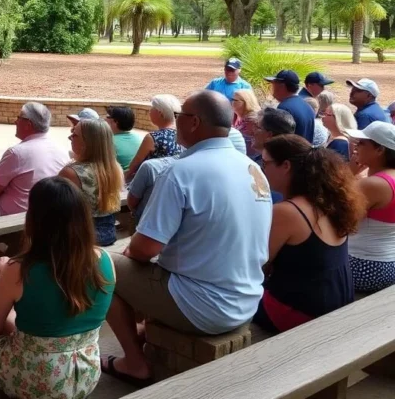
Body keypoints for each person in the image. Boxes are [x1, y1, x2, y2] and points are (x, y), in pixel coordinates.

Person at [101, 91, 272, 386]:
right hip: (246, 301)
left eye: (180, 117)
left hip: (202, 306)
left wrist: (132, 253)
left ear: (193, 123)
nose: (176, 122)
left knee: (98, 266)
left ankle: (134, 362)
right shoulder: (252, 168)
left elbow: (145, 248)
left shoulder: (181, 171)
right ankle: (145, 332)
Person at [0, 177, 115, 399]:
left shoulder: (18, 269)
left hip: (35, 383)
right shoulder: (105, 260)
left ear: (34, 220)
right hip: (85, 376)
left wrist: (1, 274)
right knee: (25, 327)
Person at [255, 135, 360, 333]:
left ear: (285, 166)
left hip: (301, 314)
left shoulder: (288, 211)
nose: (262, 169)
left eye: (265, 163)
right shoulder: (331, 201)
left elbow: (259, 264)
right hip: (337, 304)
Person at [0, 102, 70, 216]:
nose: (15, 121)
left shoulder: (16, 153)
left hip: (15, 219)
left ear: (28, 124)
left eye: (19, 117)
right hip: (50, 214)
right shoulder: (62, 149)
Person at [346, 122, 395, 293]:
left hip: (364, 265)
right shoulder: (384, 181)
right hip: (388, 263)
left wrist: (348, 174)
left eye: (361, 143)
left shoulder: (374, 184)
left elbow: (338, 221)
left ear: (380, 150)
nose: (355, 147)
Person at [61, 119, 124, 247]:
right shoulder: (114, 168)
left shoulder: (71, 173)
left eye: (75, 135)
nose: (70, 137)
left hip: (81, 239)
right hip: (109, 234)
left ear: (88, 142)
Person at [125, 95, 183, 179]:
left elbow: (133, 167)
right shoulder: (184, 135)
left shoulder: (153, 138)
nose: (149, 112)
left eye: (152, 109)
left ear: (160, 113)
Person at [265, 70, 316, 143]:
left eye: (273, 84)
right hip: (304, 152)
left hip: (291, 153)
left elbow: (280, 140)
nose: (272, 88)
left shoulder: (284, 108)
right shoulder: (306, 105)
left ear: (281, 86)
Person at [105, 106, 143, 171]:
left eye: (108, 116)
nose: (105, 119)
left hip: (121, 179)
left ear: (115, 122)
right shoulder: (140, 138)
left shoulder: (108, 143)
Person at [231, 89, 261, 156]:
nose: (231, 102)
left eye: (234, 100)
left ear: (245, 102)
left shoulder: (252, 120)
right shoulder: (237, 116)